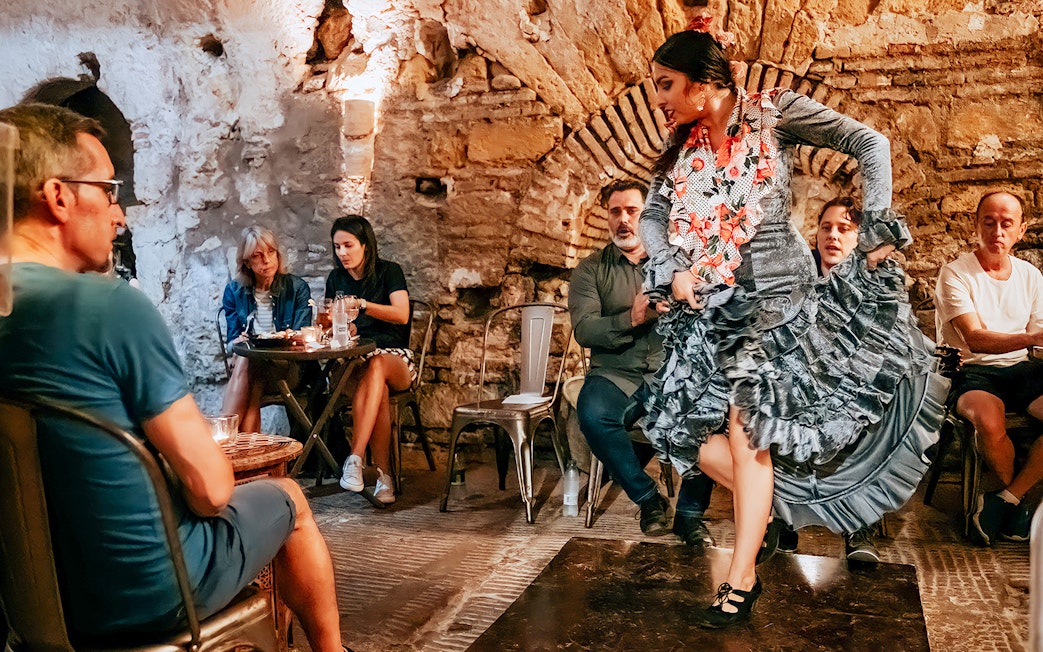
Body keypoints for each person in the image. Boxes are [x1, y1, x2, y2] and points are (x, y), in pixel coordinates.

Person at [637, 20, 948, 628]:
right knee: (675, 428)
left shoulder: (772, 113)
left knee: (747, 429)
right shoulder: (683, 151)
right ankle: (777, 508)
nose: (659, 98)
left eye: (666, 84)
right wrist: (670, 265)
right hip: (707, 309)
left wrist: (877, 230)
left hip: (776, 305)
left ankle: (740, 577)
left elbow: (870, 144)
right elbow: (653, 217)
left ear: (704, 84)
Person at [0, 103, 344, 650]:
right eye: (109, 191)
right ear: (58, 196)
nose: (121, 216)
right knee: (287, 499)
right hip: (147, 594)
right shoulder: (109, 306)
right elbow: (210, 491)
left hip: (24, 603)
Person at [569, 179, 715, 546]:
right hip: (615, 374)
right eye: (615, 211)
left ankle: (690, 516)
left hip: (672, 374)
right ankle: (648, 499)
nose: (623, 220)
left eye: (632, 211)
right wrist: (631, 319)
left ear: (648, 216)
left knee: (711, 414)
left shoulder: (679, 264)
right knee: (591, 411)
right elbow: (585, 330)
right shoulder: (590, 270)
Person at [935, 191, 1043, 546]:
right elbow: (976, 340)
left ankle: (1007, 499)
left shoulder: (1030, 275)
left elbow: (1038, 341)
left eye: (1006, 223)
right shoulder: (955, 273)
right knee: (990, 422)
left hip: (1022, 370)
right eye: (989, 222)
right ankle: (1021, 506)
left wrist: (1035, 342)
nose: (997, 230)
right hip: (972, 371)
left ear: (1020, 231)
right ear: (976, 226)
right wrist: (1031, 340)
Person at [777, 196, 880, 562]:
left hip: (852, 384)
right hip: (798, 380)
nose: (833, 235)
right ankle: (781, 519)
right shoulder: (795, 282)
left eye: (844, 229)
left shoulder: (872, 288)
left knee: (859, 410)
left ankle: (857, 522)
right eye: (826, 227)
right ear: (816, 234)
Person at [327, 215, 413, 505]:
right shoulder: (335, 279)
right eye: (337, 246)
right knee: (379, 390)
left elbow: (402, 314)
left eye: (348, 245)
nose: (342, 253)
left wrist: (362, 306)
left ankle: (355, 458)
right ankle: (383, 478)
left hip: (394, 358)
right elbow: (330, 323)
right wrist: (341, 325)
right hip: (353, 358)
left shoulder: (390, 272)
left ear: (365, 244)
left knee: (376, 366)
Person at [221, 225, 313, 433]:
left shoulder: (297, 288)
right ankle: (249, 453)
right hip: (254, 368)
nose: (267, 260)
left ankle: (225, 437)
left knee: (248, 361)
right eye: (258, 255)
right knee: (252, 371)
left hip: (289, 368)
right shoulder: (234, 291)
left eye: (271, 252)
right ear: (247, 262)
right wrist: (236, 344)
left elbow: (301, 339)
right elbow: (233, 341)